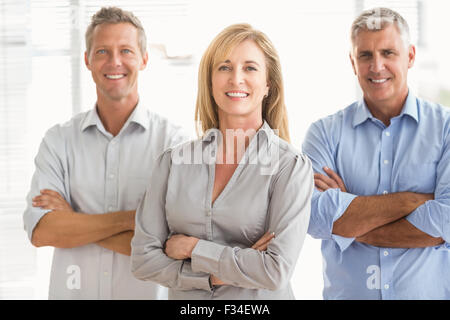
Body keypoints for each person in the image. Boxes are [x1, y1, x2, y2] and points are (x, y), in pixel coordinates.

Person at [131, 23, 313, 299]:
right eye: (224, 67)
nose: (236, 79)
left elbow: (275, 270)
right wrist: (218, 274)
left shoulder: (290, 167)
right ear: (210, 81)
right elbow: (144, 260)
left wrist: (194, 249)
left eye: (250, 68)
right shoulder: (172, 163)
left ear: (268, 86)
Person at [23, 7, 189, 299]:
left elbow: (172, 245)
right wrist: (136, 219)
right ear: (87, 60)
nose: (114, 62)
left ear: (144, 58)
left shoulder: (174, 144)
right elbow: (43, 231)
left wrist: (74, 219)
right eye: (102, 52)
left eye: (125, 50)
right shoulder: (58, 140)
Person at [303, 7, 450, 299]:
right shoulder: (324, 133)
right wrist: (413, 201)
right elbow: (314, 218)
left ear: (409, 56)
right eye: (365, 55)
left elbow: (446, 221)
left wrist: (348, 218)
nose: (377, 66)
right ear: (352, 62)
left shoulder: (445, 129)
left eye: (388, 53)